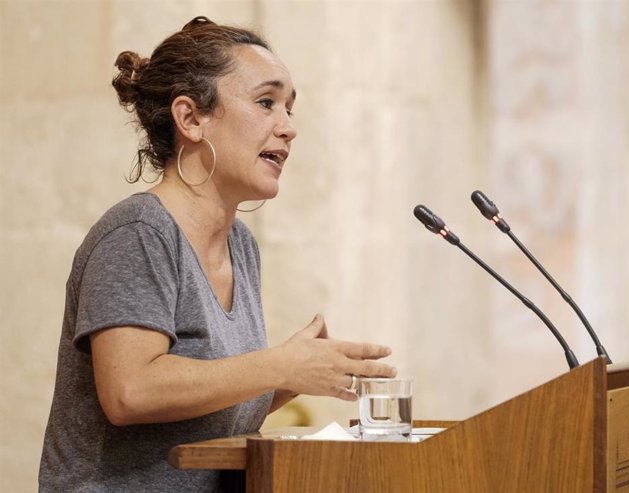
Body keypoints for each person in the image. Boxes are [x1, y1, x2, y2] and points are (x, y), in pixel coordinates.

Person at [39, 16, 396, 492]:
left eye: (290, 109)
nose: (288, 128)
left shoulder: (240, 245)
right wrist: (280, 365)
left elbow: (202, 402)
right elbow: (131, 391)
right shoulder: (139, 234)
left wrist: (293, 376)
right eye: (266, 102)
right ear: (190, 118)